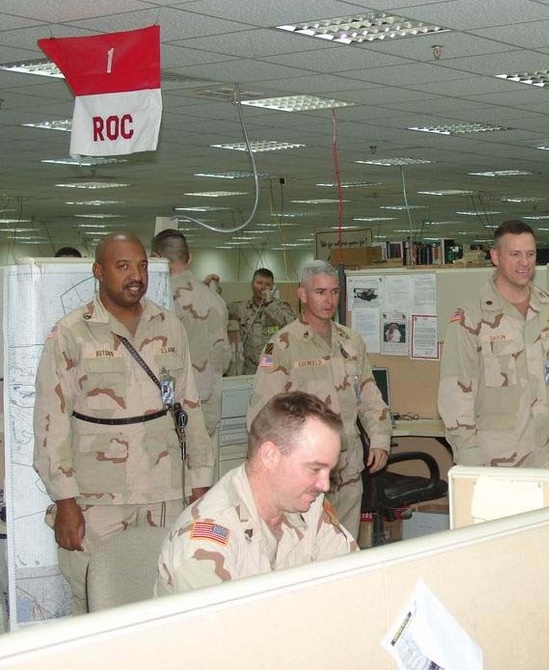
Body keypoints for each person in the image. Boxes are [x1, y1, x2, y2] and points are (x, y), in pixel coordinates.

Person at [33, 232, 212, 614]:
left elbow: (190, 409)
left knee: (163, 596)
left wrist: (201, 486)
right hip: (98, 502)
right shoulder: (71, 334)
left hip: (164, 494)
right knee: (95, 604)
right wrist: (66, 503)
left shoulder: (170, 327)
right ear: (99, 271)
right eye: (123, 266)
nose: (136, 275)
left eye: (143, 266)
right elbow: (51, 424)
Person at [156, 391, 356, 596]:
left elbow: (355, 582)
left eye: (328, 471)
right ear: (270, 456)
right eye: (314, 469)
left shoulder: (308, 505)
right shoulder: (204, 542)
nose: (324, 485)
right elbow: (223, 627)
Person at [246, 260, 390, 539]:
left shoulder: (351, 342)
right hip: (303, 477)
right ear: (302, 295)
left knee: (344, 551)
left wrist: (380, 438)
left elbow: (370, 396)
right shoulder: (282, 347)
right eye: (320, 292)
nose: (329, 300)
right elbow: (261, 417)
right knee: (303, 554)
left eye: (335, 292)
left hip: (348, 472)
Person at [438, 219, 549, 467]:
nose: (524, 263)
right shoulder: (471, 317)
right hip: (497, 459)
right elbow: (455, 397)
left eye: (530, 254)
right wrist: (471, 462)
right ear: (496, 257)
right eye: (515, 254)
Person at [152, 228, 232, 468]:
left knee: (175, 479)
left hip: (176, 408)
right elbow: (224, 359)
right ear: (190, 257)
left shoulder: (162, 301)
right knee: (205, 476)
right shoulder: (214, 298)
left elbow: (157, 363)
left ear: (156, 258)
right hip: (209, 402)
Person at [213, 267, 296, 375]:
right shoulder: (241, 308)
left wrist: (269, 304)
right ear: (252, 285)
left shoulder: (281, 307)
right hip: (249, 369)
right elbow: (218, 311)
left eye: (267, 284)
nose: (263, 287)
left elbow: (292, 325)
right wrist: (213, 290)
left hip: (275, 368)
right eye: (259, 283)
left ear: (273, 287)